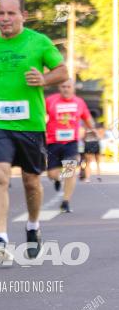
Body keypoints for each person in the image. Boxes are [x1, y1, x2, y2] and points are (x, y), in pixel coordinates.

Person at [0, 0, 68, 260]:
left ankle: (32, 224)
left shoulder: (38, 42)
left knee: (31, 182)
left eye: (10, 13)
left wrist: (44, 78)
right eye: (0, 13)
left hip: (30, 123)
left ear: (23, 16)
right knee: (0, 176)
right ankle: (1, 240)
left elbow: (63, 71)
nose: (4, 19)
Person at [45, 80, 96, 212]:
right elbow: (41, 116)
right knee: (51, 174)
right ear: (59, 87)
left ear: (73, 88)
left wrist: (93, 129)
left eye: (68, 87)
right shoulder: (50, 100)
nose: (66, 89)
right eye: (63, 87)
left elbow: (87, 118)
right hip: (53, 142)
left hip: (71, 142)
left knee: (70, 170)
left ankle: (66, 202)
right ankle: (57, 179)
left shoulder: (79, 102)